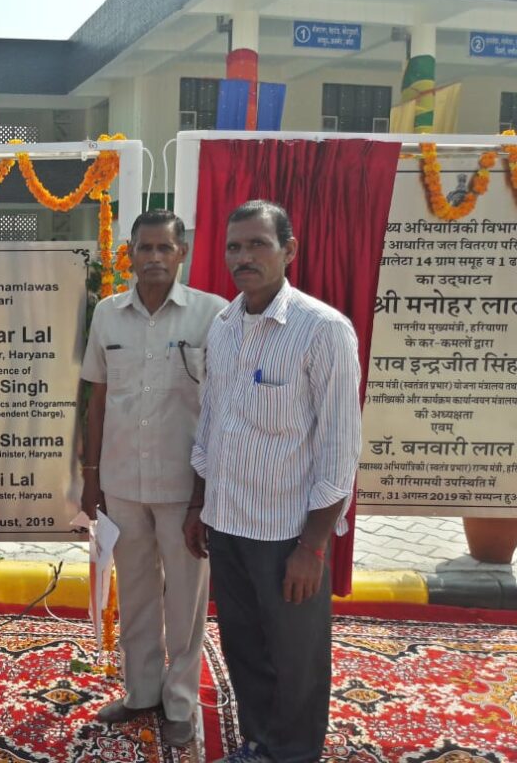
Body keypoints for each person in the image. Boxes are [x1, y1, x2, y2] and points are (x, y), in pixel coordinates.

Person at [185, 200, 362, 763]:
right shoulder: (223, 327)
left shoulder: (323, 330)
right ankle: (261, 742)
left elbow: (340, 449)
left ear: (289, 251)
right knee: (244, 645)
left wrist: (313, 546)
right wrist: (199, 504)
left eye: (257, 244)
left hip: (287, 532)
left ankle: (295, 753)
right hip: (227, 523)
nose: (243, 257)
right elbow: (211, 422)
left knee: (295, 655)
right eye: (234, 246)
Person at [80, 208, 227, 747]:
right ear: (131, 254)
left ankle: (180, 702)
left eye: (165, 247)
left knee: (185, 599)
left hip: (185, 488)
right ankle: (141, 691)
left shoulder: (212, 315)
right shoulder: (108, 315)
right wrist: (90, 476)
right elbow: (97, 399)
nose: (155, 258)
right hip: (121, 482)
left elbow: (222, 407)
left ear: (181, 252)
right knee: (137, 592)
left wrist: (205, 495)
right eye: (145, 248)